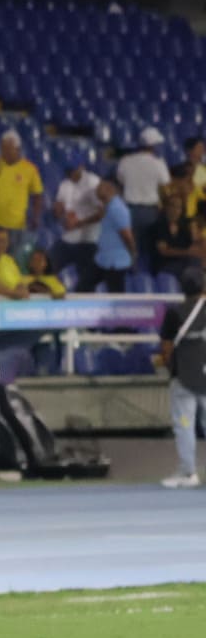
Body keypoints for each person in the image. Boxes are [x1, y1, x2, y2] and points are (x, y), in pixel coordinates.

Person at [160, 268, 206, 488]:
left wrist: (168, 365)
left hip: (184, 378)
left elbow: (167, 349)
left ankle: (188, 473)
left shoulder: (174, 313)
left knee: (185, 425)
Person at [0, 131, 42, 250]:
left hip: (16, 226)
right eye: (2, 148)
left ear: (17, 149)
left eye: (7, 149)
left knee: (10, 261)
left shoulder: (29, 169)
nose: (3, 152)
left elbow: (37, 195)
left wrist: (36, 216)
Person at [117, 127, 171, 247]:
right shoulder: (159, 163)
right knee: (150, 249)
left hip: (129, 211)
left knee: (131, 249)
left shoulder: (125, 161)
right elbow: (165, 186)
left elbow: (120, 182)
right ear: (154, 146)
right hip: (150, 212)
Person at [52, 161, 103, 277]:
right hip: (68, 239)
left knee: (86, 282)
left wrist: (80, 223)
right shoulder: (64, 184)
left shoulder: (93, 182)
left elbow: (103, 212)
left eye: (73, 171)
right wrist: (58, 211)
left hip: (89, 240)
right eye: (68, 171)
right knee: (49, 268)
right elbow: (60, 209)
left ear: (81, 167)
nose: (70, 174)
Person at [89, 178, 135, 293]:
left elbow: (127, 236)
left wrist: (133, 253)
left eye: (100, 187)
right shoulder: (108, 207)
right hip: (103, 259)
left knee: (116, 295)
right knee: (84, 287)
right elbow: (100, 217)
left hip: (115, 262)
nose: (96, 190)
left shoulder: (117, 209)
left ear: (110, 189)